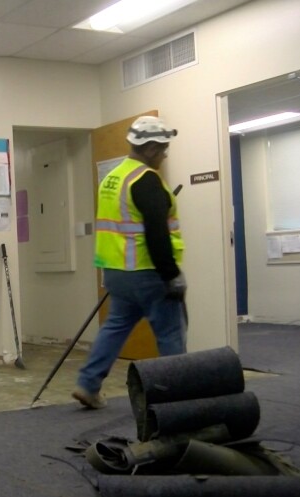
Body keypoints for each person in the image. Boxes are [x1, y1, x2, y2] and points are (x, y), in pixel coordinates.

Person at [73, 115, 187, 410]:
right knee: (171, 333)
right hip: (148, 272)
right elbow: (156, 233)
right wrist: (171, 274)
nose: (164, 154)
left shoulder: (113, 176)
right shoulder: (146, 179)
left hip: (116, 272)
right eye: (163, 148)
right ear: (149, 148)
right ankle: (177, 397)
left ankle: (88, 384)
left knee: (115, 328)